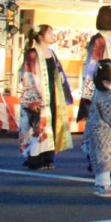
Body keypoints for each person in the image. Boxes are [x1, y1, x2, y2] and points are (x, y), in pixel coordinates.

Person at [77, 5, 111, 177]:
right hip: (101, 89)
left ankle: (110, 164)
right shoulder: (98, 40)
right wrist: (90, 93)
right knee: (101, 129)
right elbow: (91, 67)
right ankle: (100, 164)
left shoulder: (110, 39)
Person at [18, 25, 74, 170]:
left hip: (52, 94)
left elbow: (59, 74)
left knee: (51, 124)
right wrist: (34, 99)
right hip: (39, 94)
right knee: (38, 127)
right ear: (40, 36)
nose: (52, 35)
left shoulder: (51, 53)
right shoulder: (32, 54)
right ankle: (35, 159)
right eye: (49, 32)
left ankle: (48, 157)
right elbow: (28, 77)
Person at [84, 59, 111, 198]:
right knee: (105, 159)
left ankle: (99, 184)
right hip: (105, 132)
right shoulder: (106, 94)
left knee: (99, 157)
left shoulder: (96, 92)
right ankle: (104, 185)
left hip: (95, 129)